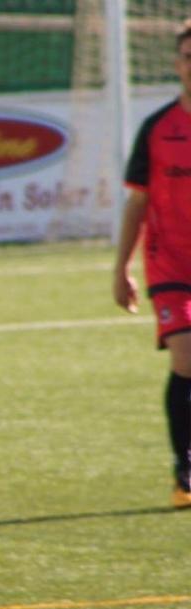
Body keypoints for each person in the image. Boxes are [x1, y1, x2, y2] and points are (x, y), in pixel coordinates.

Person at [114, 20, 191, 510]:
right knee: (186, 357)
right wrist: (120, 265)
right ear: (177, 63)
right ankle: (185, 470)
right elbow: (137, 202)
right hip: (172, 263)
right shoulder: (158, 128)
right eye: (188, 56)